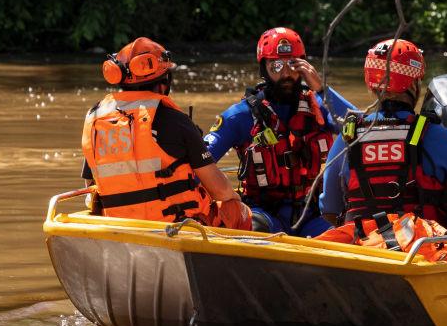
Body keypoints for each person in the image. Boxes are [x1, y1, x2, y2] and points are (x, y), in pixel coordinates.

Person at [319, 38, 447, 234]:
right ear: (414, 83)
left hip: (365, 248)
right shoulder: (439, 136)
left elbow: (330, 209)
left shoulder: (347, 137)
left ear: (371, 85)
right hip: (424, 251)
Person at [81, 37, 251, 230]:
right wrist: (237, 199)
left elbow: (91, 187)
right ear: (164, 82)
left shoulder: (95, 119)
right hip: (175, 227)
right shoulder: (175, 120)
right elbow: (220, 190)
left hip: (119, 227)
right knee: (236, 208)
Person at [204, 27, 354, 235]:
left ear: (303, 67)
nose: (286, 74)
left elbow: (361, 130)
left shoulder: (319, 105)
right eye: (276, 65)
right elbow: (200, 162)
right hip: (263, 214)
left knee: (345, 237)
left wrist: (321, 88)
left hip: (308, 216)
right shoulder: (240, 115)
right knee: (255, 227)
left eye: (293, 65)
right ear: (264, 68)